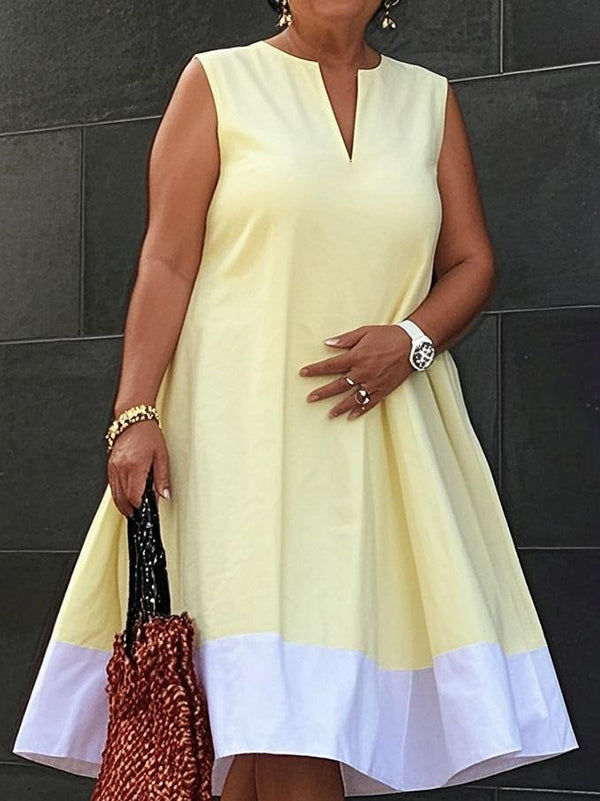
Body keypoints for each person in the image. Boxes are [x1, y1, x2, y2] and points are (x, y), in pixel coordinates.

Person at [13, 1, 579, 799]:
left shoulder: (429, 100)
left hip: (378, 444)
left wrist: (412, 340)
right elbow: (167, 261)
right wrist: (134, 413)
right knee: (281, 706)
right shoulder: (218, 82)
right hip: (238, 441)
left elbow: (472, 261)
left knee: (290, 710)